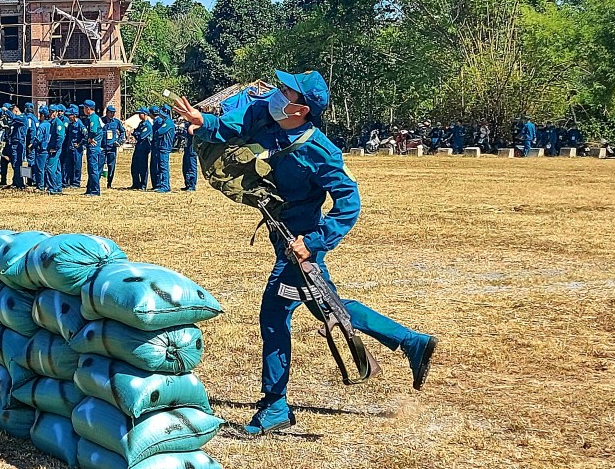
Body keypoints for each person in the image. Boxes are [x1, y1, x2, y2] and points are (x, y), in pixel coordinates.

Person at [173, 69, 438, 436]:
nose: (279, 94)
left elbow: (349, 202)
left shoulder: (320, 151)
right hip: (281, 235)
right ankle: (411, 342)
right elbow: (232, 125)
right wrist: (205, 123)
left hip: (299, 247)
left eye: (288, 92)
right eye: (282, 87)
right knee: (324, 306)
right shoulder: (267, 113)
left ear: (304, 110)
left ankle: (274, 406)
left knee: (274, 314)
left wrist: (313, 242)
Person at [82, 100, 104, 196]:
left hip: (94, 147)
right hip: (93, 147)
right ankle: (90, 189)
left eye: (84, 108)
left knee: (93, 169)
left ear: (88, 108)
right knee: (91, 169)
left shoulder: (93, 118)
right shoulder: (92, 118)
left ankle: (95, 191)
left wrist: (90, 138)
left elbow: (93, 131)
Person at [152, 106, 174, 193]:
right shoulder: (165, 122)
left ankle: (165, 185)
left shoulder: (168, 123)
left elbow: (159, 132)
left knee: (164, 167)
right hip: (162, 147)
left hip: (164, 147)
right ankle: (162, 184)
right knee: (161, 167)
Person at [101, 105, 124, 188]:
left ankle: (109, 183)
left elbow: (122, 131)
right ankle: (96, 183)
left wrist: (119, 141)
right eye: (111, 113)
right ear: (107, 112)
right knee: (99, 165)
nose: (112, 114)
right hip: (102, 147)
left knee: (111, 166)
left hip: (112, 147)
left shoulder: (116, 122)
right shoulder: (101, 120)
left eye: (113, 113)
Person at [130, 110, 152, 190]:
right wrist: (136, 133)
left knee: (143, 167)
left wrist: (136, 133)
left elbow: (141, 136)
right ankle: (135, 184)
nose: (139, 115)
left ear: (145, 114)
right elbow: (135, 133)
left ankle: (143, 185)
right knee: (134, 166)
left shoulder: (147, 125)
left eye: (140, 114)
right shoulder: (141, 124)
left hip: (144, 147)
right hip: (138, 146)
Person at [181, 117, 199, 192]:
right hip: (187, 148)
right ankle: (187, 184)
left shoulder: (195, 126)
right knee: (185, 166)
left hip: (192, 148)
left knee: (192, 166)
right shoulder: (188, 125)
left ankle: (192, 185)